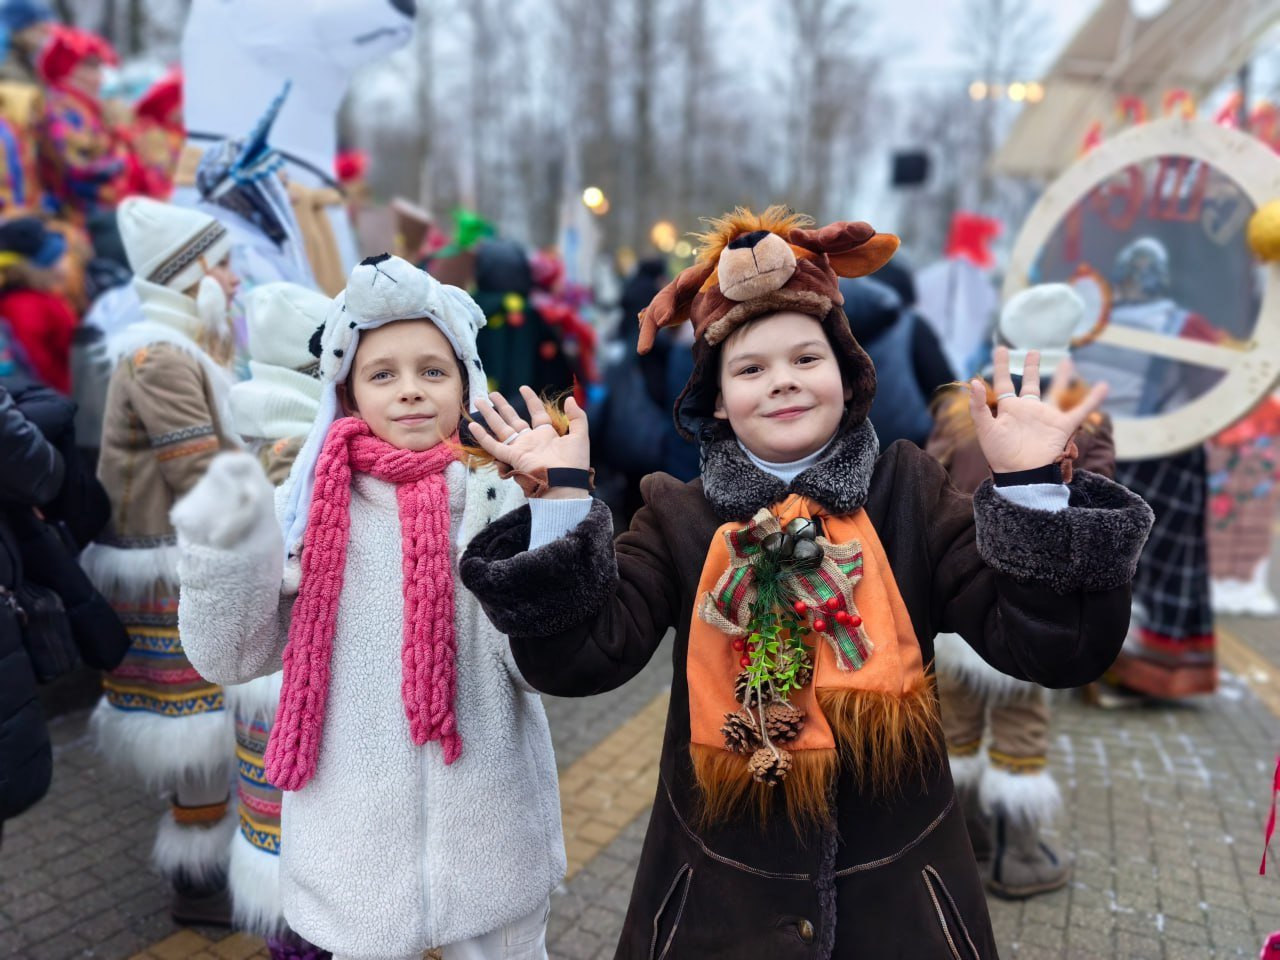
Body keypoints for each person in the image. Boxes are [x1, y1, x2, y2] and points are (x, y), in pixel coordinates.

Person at [458, 207, 1153, 958]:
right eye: (751, 369)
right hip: (713, 906)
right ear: (717, 400)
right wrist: (562, 508)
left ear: (848, 376)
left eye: (806, 359)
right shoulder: (677, 516)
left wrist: (1033, 492)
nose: (782, 382)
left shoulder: (909, 492)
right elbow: (581, 660)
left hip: (902, 905)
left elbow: (1055, 650)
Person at [173, 254, 564, 960]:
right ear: (348, 391)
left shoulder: (496, 498)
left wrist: (557, 514)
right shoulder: (305, 513)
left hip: (494, 860)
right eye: (383, 374)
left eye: (433, 371)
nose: (410, 392)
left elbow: (541, 667)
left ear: (467, 382)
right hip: (354, 872)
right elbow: (230, 655)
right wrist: (221, 548)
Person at [81, 196, 243, 925]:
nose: (237, 280)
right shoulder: (161, 357)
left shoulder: (174, 348)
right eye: (226, 264)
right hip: (170, 573)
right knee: (200, 730)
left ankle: (204, 869)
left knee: (206, 723)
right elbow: (204, 476)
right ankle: (200, 880)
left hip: (180, 565)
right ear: (190, 274)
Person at [926, 284, 1116, 900]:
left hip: (960, 605)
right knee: (1021, 727)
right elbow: (1100, 504)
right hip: (1036, 607)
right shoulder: (1083, 417)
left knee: (954, 724)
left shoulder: (962, 407)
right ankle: (1020, 856)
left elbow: (934, 491)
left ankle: (961, 846)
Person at [221, 281, 330, 957]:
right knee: (314, 864)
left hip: (261, 681)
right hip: (304, 683)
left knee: (279, 839)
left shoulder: (246, 432)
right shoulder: (306, 449)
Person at [1075, 236, 1223, 699]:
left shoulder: (1091, 321)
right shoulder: (1184, 325)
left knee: (1105, 559)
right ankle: (1144, 675)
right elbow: (1213, 390)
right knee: (1159, 567)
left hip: (1098, 449)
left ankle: (1091, 660)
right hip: (1165, 454)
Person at [34, 25, 130, 220]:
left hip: (97, 209)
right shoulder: (61, 110)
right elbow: (75, 172)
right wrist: (124, 162)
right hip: (76, 215)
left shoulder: (87, 109)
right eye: (92, 67)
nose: (101, 78)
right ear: (67, 69)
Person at [0, 216, 77, 393]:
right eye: (54, 259)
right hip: (58, 399)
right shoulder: (34, 306)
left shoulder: (26, 300)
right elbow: (40, 365)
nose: (62, 265)